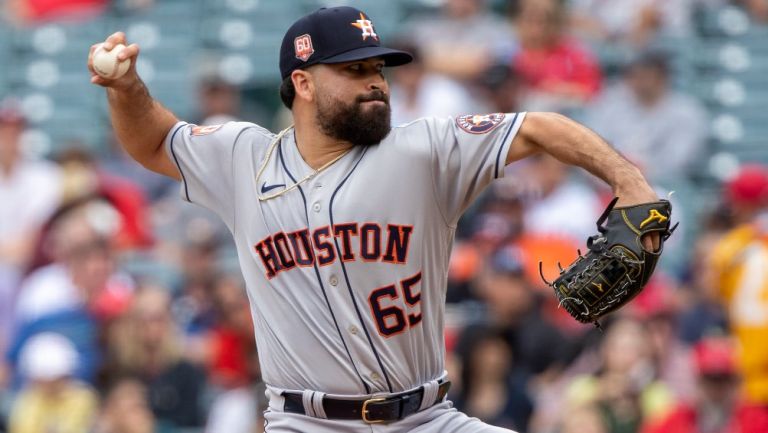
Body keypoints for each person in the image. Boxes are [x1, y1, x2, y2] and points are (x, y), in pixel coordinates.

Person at [88, 6, 661, 432]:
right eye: (355, 69)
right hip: (305, 423)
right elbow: (155, 140)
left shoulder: (423, 152)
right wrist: (125, 86)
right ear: (304, 84)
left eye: (378, 69)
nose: (376, 81)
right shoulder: (243, 157)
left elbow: (538, 126)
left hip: (428, 417)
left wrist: (628, 180)